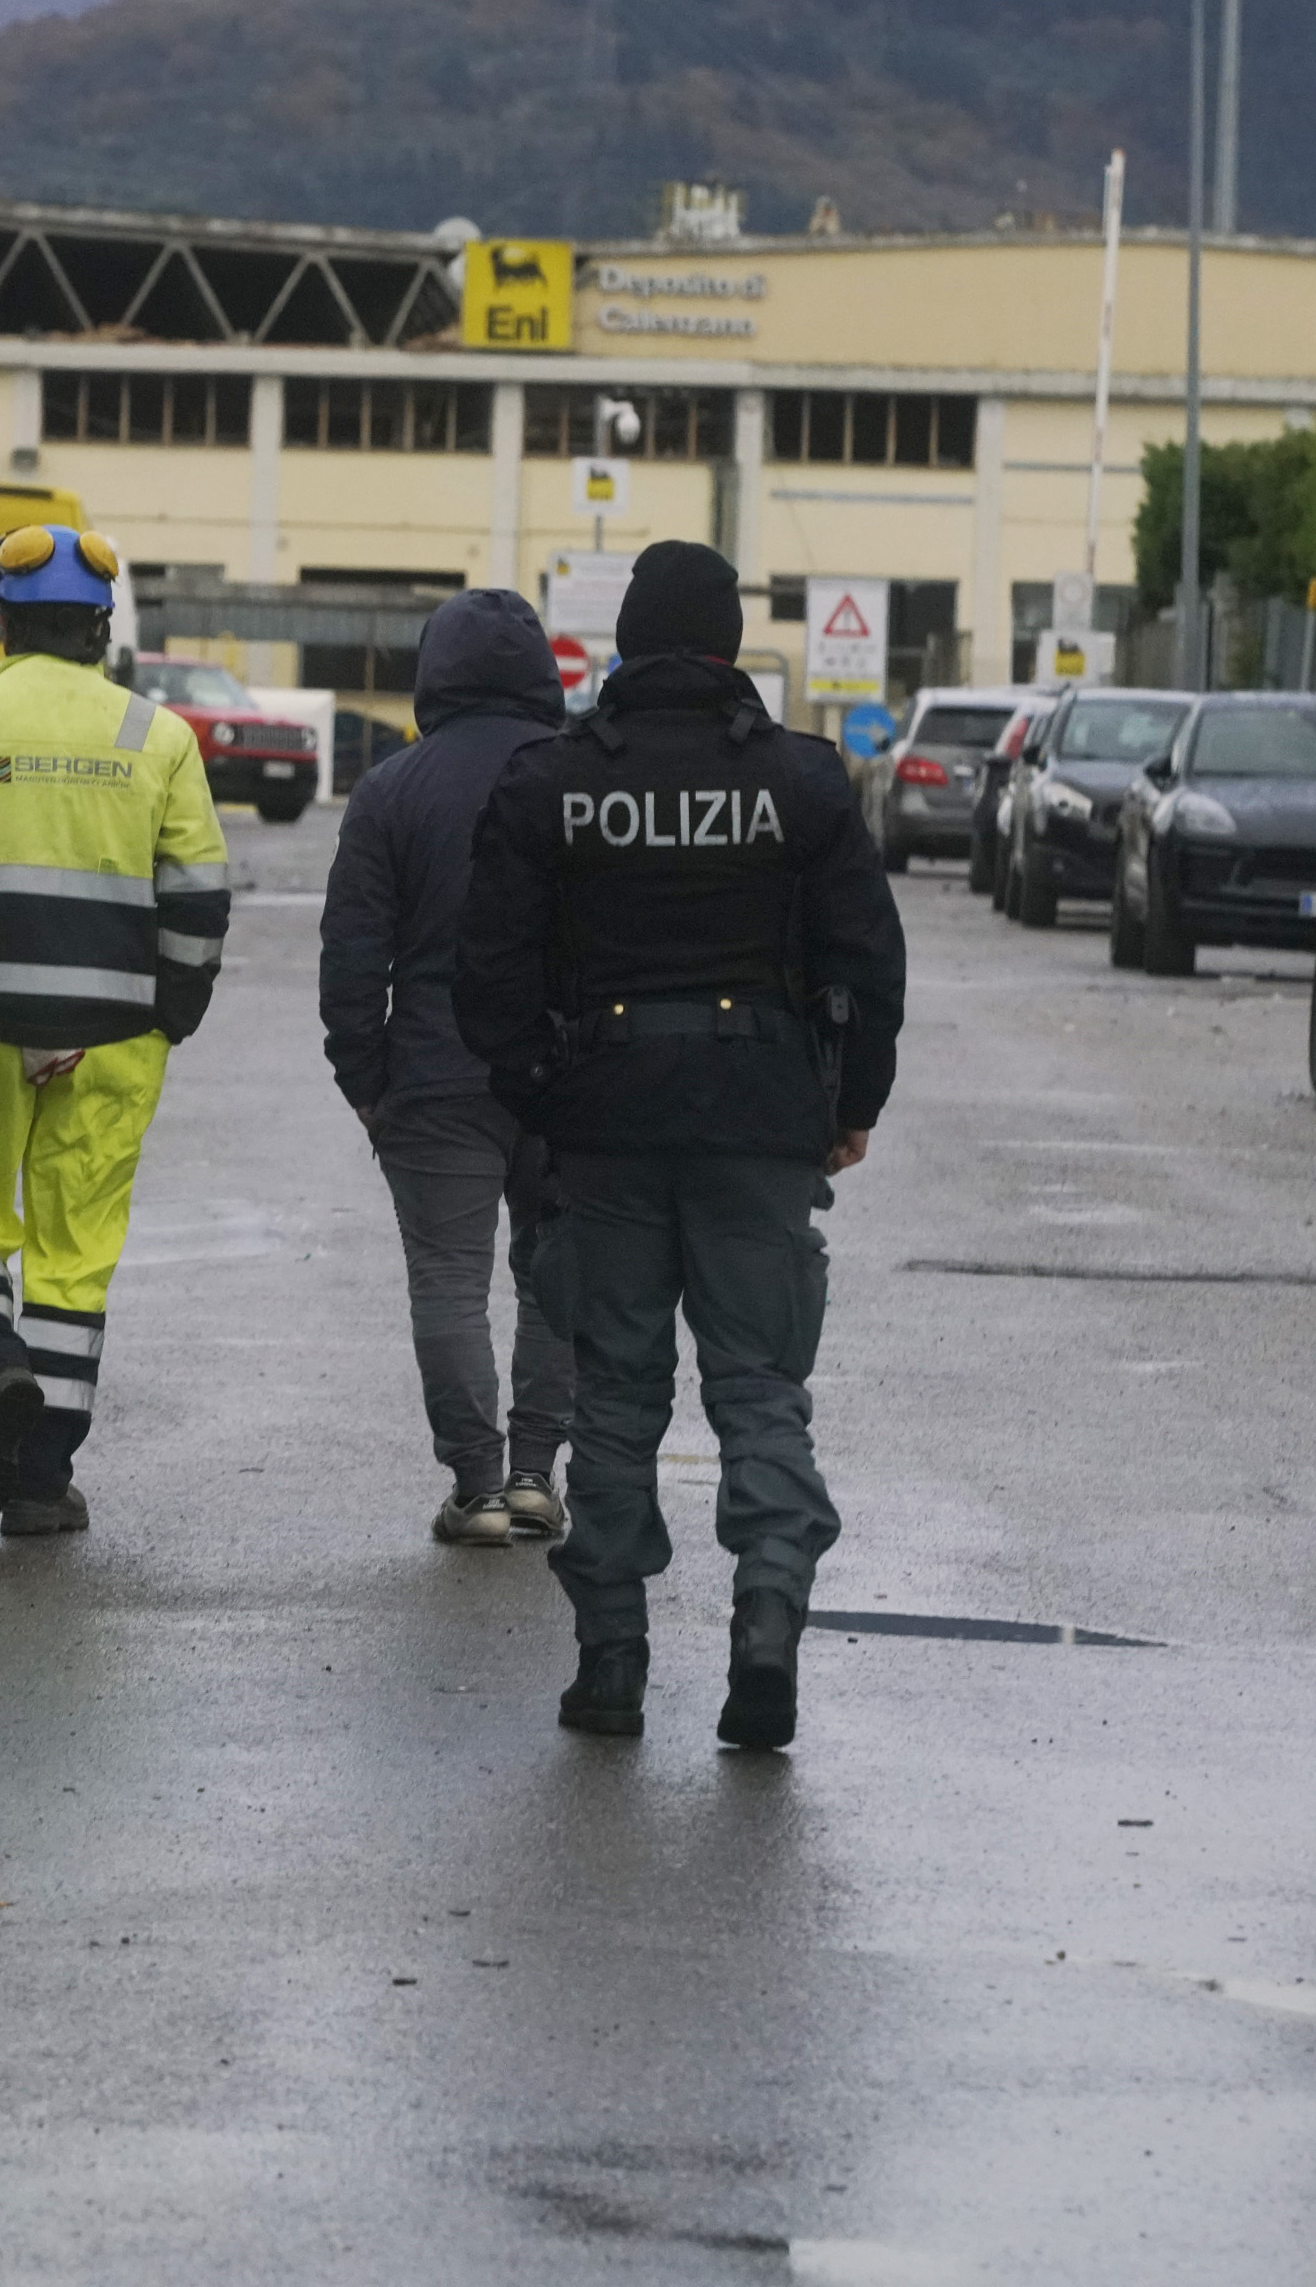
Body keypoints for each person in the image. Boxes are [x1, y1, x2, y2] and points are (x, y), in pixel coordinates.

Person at [456, 541, 904, 1749]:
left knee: (614, 1400)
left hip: (601, 1121)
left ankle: (611, 1665)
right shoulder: (803, 784)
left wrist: (540, 1097)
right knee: (760, 1390)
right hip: (760, 1118)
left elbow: (486, 972)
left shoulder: (549, 783)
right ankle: (765, 1619)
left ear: (629, 640)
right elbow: (869, 959)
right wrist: (851, 1104)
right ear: (730, 641)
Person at [0, 525, 227, 1538]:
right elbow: (199, 894)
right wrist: (174, 1011)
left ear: (1, 620)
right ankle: (38, 1483)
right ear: (99, 630)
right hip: (111, 1036)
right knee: (73, 1258)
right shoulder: (157, 738)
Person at [319, 587, 577, 1549]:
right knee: (558, 1277)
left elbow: (352, 953)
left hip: (434, 1074)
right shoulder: (581, 779)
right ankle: (538, 1474)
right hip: (567, 1075)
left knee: (448, 1280)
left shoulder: (392, 788)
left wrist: (369, 1079)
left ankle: (475, 1487)